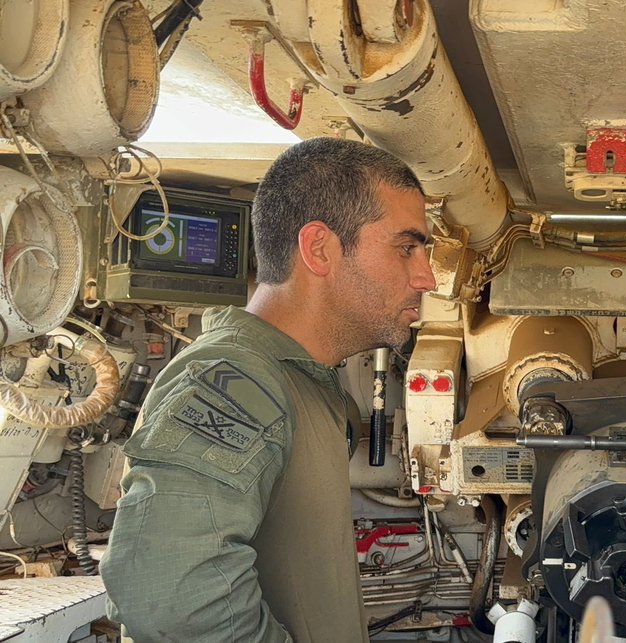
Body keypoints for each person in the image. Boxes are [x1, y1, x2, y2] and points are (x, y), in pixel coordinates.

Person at [101, 137, 436, 642]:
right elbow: (171, 599)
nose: (427, 277)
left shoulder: (305, 380)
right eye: (407, 248)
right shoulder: (236, 381)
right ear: (319, 248)